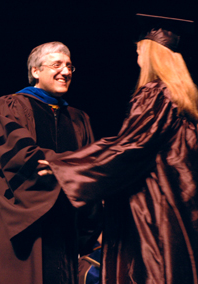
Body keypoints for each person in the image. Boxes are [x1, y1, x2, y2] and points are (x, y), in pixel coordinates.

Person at [39, 15, 198, 283]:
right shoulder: (187, 106)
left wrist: (65, 167)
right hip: (179, 214)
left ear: (151, 55)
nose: (137, 60)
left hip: (152, 211)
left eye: (139, 53)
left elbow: (129, 147)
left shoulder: (156, 94)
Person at [0, 41, 102, 284]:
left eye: (69, 66)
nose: (66, 72)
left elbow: (92, 171)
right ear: (36, 71)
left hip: (64, 228)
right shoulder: (10, 106)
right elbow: (21, 156)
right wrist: (73, 168)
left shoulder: (79, 119)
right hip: (23, 227)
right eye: (57, 64)